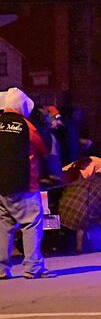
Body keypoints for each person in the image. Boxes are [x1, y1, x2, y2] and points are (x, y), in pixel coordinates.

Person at [0, 88, 52, 279]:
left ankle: (1, 269)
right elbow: (44, 148)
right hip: (24, 183)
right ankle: (33, 266)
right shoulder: (26, 125)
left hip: (0, 185)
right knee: (31, 223)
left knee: (3, 225)